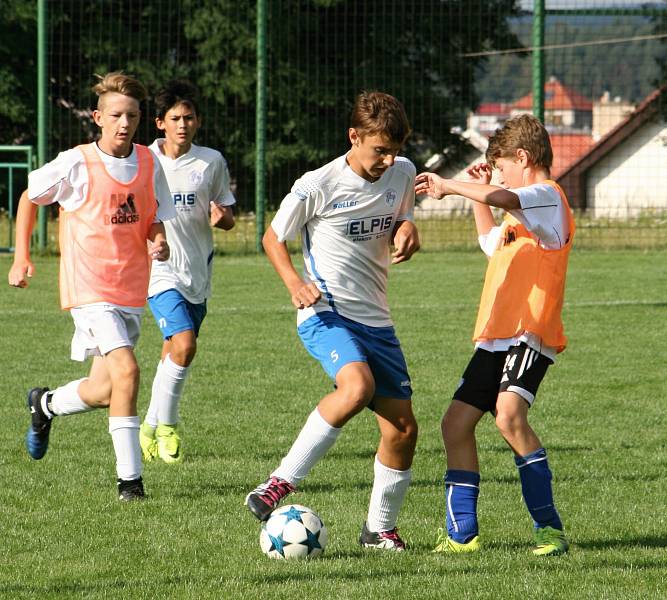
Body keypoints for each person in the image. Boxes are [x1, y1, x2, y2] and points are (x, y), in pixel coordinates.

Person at [244, 91, 420, 551]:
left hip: (376, 319)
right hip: (325, 310)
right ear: (353, 137)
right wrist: (294, 286)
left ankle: (378, 530)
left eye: (394, 150)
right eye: (379, 149)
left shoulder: (402, 173)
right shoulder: (317, 184)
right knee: (356, 387)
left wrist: (406, 228)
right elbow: (272, 237)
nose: (388, 159)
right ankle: (280, 482)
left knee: (402, 429)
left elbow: (400, 216)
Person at [7, 71, 176, 500]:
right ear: (98, 117)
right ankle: (130, 482)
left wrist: (158, 241)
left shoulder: (150, 161)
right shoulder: (77, 162)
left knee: (106, 389)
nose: (125, 123)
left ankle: (44, 405)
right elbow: (30, 196)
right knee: (129, 372)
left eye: (133, 116)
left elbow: (153, 218)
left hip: (130, 288)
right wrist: (22, 257)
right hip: (89, 288)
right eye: (117, 115)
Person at [415, 114, 572, 556]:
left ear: (523, 158)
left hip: (529, 334)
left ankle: (549, 529)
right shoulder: (518, 217)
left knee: (508, 416)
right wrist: (478, 199)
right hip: (496, 338)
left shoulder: (546, 197)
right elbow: (491, 243)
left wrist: (451, 186)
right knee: (455, 425)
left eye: (501, 165)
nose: (498, 175)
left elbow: (505, 194)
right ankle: (462, 535)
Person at [139, 80, 236, 464]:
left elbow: (227, 215)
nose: (183, 124)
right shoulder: (143, 161)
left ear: (198, 121)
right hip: (158, 272)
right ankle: (169, 426)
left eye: (189, 117)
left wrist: (221, 216)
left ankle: (148, 426)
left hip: (198, 272)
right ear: (160, 123)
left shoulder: (210, 161)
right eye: (175, 118)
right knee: (184, 345)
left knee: (172, 353)